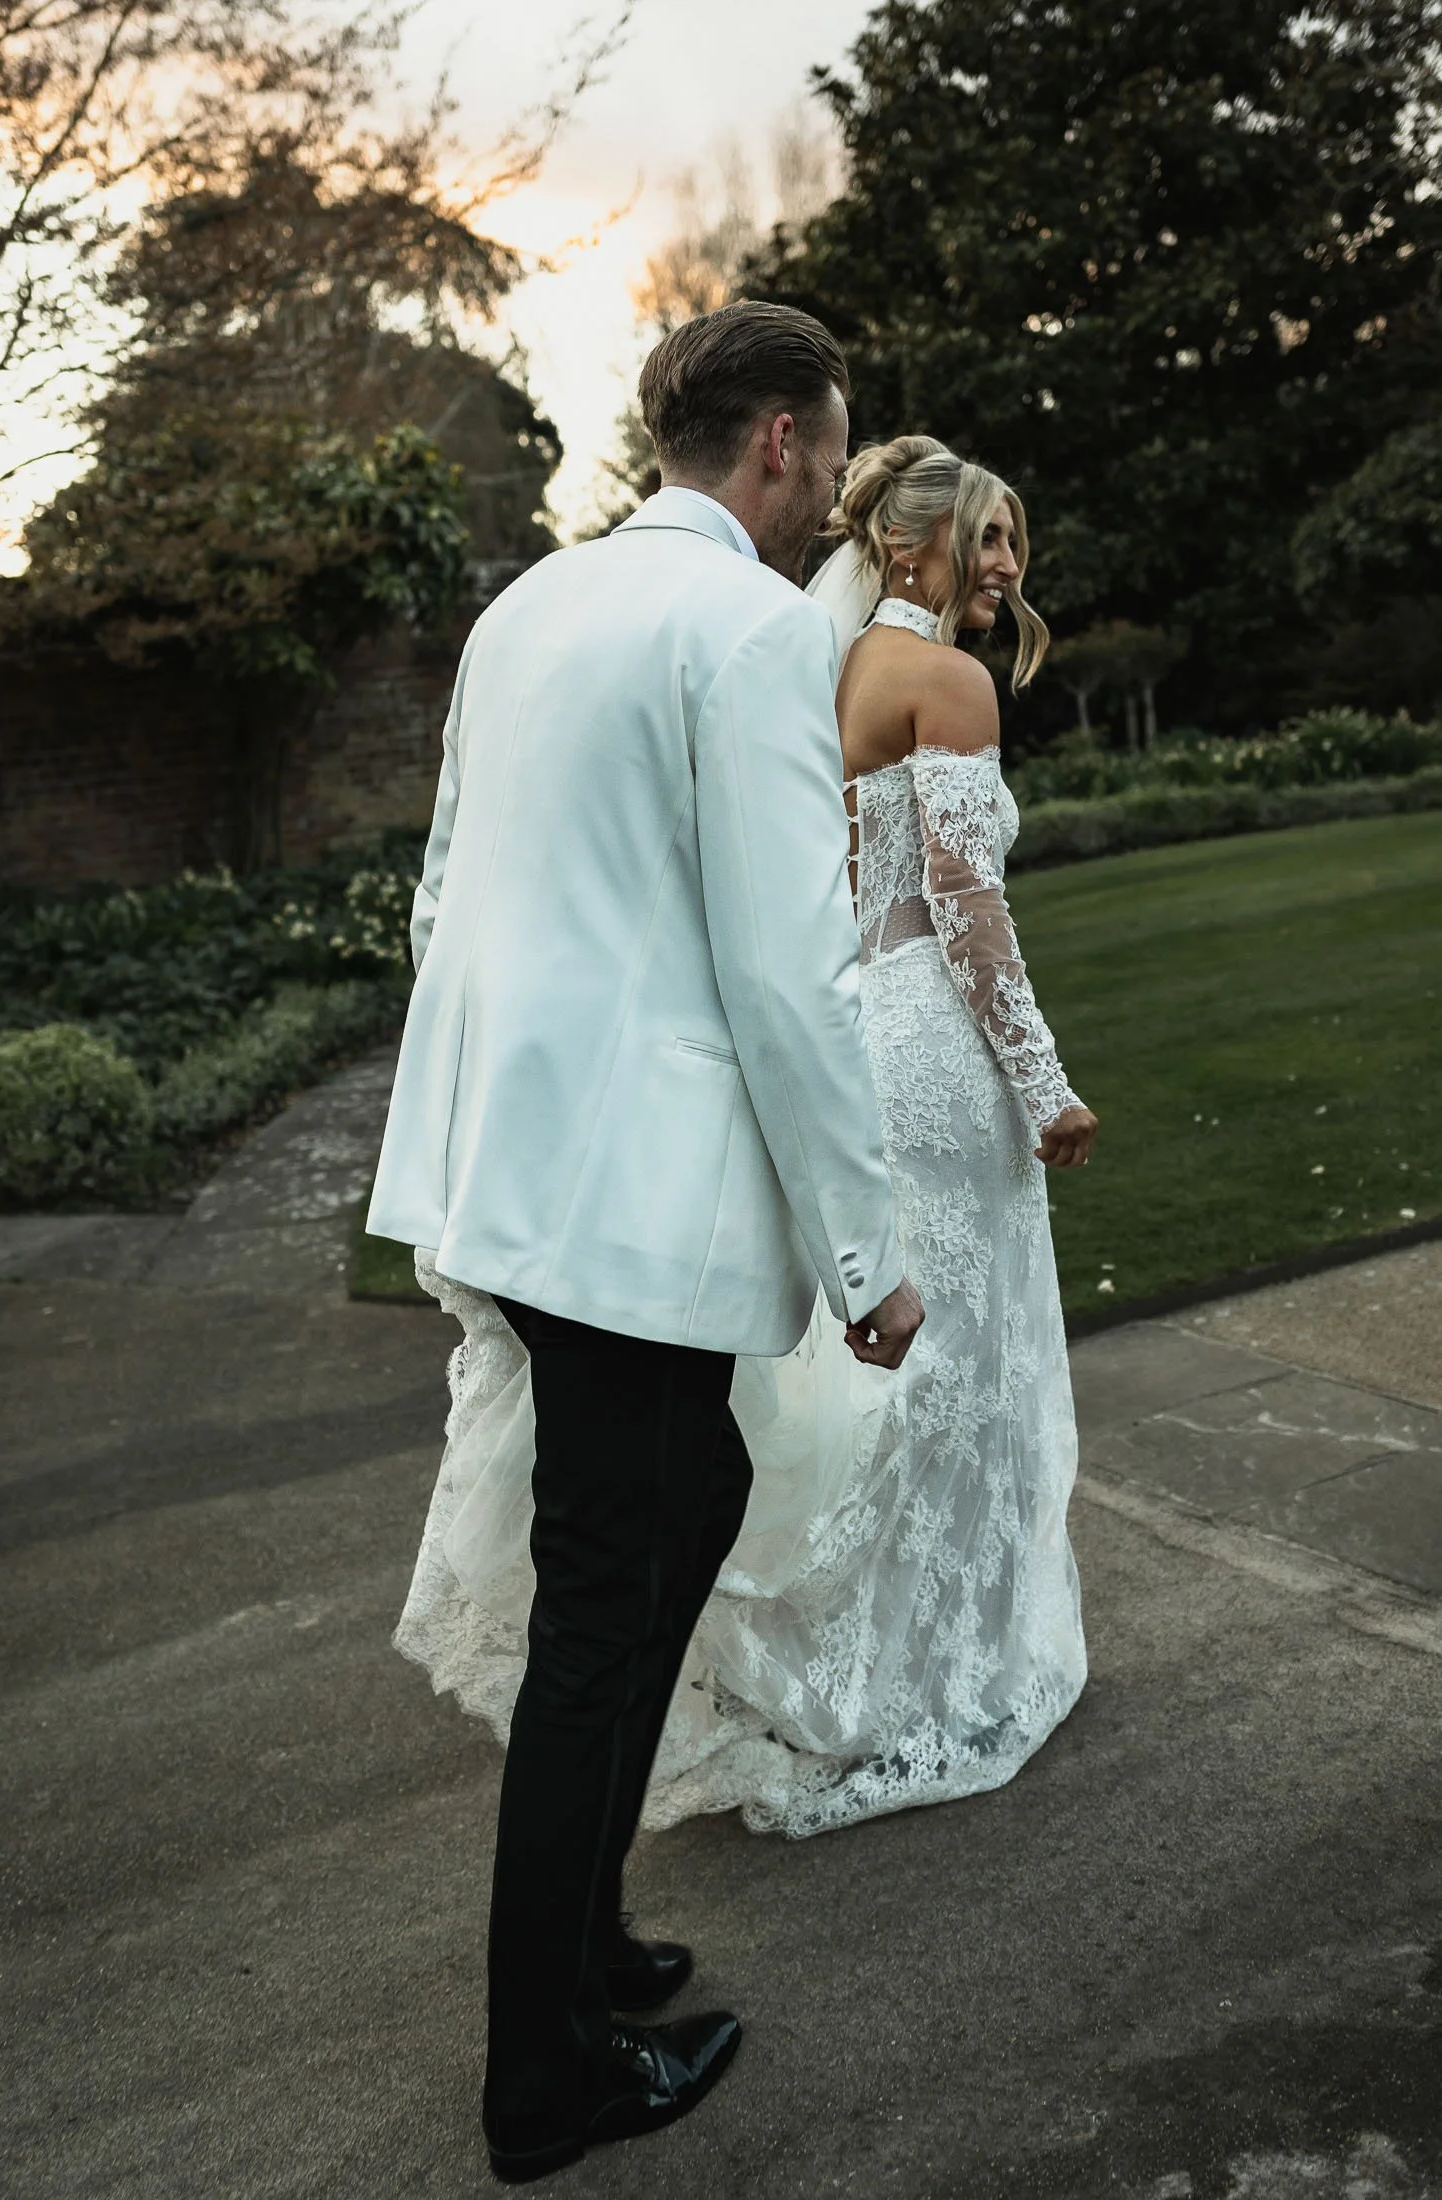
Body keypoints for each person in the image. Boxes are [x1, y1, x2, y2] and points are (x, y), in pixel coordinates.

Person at [367, 302, 924, 2184]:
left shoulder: (523, 607)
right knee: (604, 1608)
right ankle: (551, 2076)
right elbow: (790, 972)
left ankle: (590, 1935)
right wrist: (869, 1257)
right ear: (775, 443)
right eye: (828, 453)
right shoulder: (759, 630)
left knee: (682, 1496)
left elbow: (445, 884)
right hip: (625, 1205)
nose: (831, 488)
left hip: (508, 1180)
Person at [398, 436, 1096, 1852]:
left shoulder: (823, 670)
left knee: (889, 1400)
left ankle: (848, 1668)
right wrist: (1044, 1086)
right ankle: (953, 1671)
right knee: (971, 1373)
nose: (1008, 565)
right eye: (986, 537)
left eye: (1015, 538)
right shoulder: (946, 683)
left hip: (854, 1049)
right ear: (910, 551)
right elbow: (967, 913)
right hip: (938, 1054)